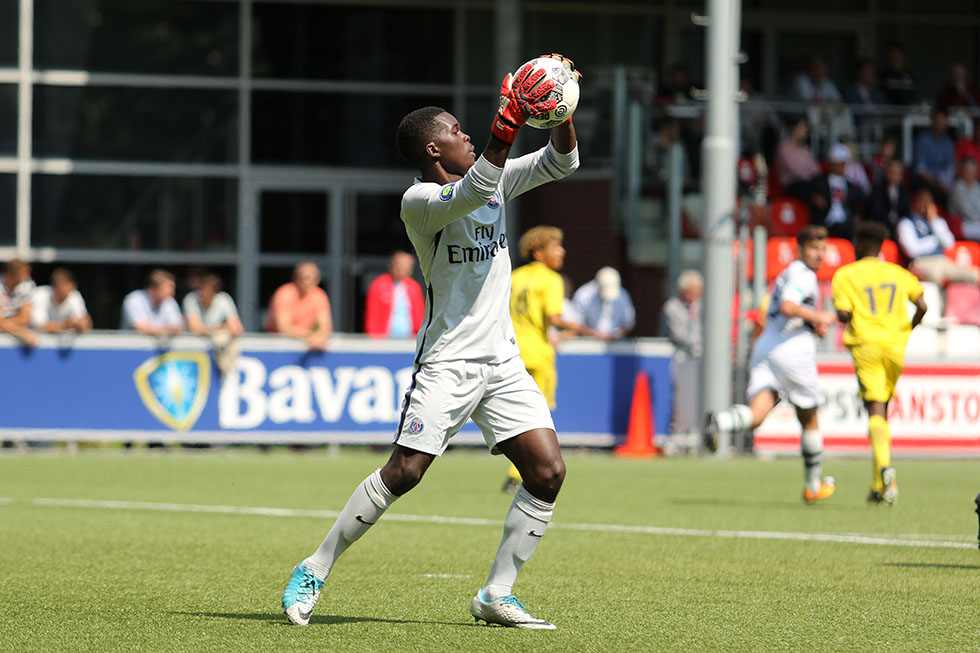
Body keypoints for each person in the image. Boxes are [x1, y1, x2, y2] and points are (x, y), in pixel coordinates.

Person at [280, 54, 581, 630]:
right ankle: (315, 566)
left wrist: (560, 110)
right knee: (407, 471)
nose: (467, 134)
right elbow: (474, 191)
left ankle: (497, 593)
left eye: (469, 129)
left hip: (503, 361)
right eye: (455, 131)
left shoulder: (492, 180)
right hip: (448, 363)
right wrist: (508, 123)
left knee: (547, 471)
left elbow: (564, 162)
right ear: (433, 151)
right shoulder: (419, 202)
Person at [706, 226, 838, 504]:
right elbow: (789, 306)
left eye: (823, 249)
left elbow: (780, 310)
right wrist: (819, 316)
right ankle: (813, 487)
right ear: (800, 249)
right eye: (814, 248)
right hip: (792, 352)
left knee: (756, 416)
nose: (819, 255)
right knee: (810, 417)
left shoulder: (786, 273)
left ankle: (721, 422)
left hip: (767, 346)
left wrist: (811, 323)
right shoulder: (803, 275)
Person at [832, 221, 928, 504]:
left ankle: (886, 470)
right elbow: (923, 306)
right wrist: (907, 329)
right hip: (896, 347)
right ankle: (878, 485)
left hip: (867, 346)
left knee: (873, 406)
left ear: (859, 244)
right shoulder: (898, 273)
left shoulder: (846, 274)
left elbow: (842, 313)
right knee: (882, 407)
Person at [503, 226, 593, 492]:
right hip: (539, 354)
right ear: (538, 252)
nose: (561, 251)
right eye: (555, 247)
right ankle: (517, 474)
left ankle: (514, 471)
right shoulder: (552, 279)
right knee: (537, 419)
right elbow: (554, 318)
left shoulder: (514, 276)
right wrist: (581, 327)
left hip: (511, 353)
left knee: (514, 415)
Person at [897, 188, 980, 284]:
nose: (925, 204)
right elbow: (912, 251)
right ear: (914, 202)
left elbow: (949, 244)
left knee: (974, 275)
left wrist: (933, 221)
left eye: (928, 201)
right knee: (936, 275)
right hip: (920, 262)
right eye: (922, 200)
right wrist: (935, 241)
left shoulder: (937, 221)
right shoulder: (906, 222)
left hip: (942, 260)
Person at [183, 273, 244, 373]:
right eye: (199, 289)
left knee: (226, 340)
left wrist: (207, 330)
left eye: (205, 290)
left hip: (214, 357)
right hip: (190, 353)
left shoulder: (224, 299)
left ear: (214, 292)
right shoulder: (191, 299)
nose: (201, 293)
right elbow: (195, 329)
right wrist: (223, 327)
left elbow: (237, 329)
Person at [266, 262, 332, 350]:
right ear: (295, 278)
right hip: (279, 346)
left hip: (307, 343)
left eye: (311, 278)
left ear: (317, 280)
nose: (306, 282)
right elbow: (284, 328)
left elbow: (325, 326)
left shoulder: (319, 295)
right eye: (303, 277)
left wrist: (318, 338)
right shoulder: (284, 294)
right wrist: (311, 337)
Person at [363, 251, 425, 338]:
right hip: (384, 340)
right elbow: (372, 316)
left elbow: (420, 315)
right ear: (392, 265)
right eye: (400, 264)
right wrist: (374, 338)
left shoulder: (414, 287)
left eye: (407, 266)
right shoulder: (378, 284)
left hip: (410, 339)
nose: (402, 268)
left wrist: (420, 335)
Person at [809, 143, 863, 240]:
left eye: (842, 163)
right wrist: (814, 197)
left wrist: (856, 217)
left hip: (846, 223)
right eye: (838, 163)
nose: (841, 166)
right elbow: (803, 191)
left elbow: (856, 208)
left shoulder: (851, 186)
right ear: (831, 163)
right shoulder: (819, 181)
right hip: (825, 221)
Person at [571, 267, 636, 340]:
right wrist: (593, 334)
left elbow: (628, 323)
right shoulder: (584, 295)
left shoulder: (623, 295)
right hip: (588, 344)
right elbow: (575, 322)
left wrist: (616, 335)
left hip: (617, 344)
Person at [120, 269, 184, 335]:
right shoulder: (133, 299)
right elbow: (139, 327)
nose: (172, 293)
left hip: (163, 345)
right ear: (153, 288)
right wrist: (166, 330)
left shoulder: (169, 301)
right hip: (132, 344)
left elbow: (178, 327)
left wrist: (157, 330)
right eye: (167, 288)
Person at [913, 108, 956, 207]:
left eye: (942, 120)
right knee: (930, 189)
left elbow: (950, 168)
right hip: (926, 181)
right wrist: (938, 183)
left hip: (942, 182)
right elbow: (920, 169)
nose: (939, 123)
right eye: (937, 120)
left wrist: (946, 184)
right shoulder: (923, 139)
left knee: (956, 190)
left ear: (946, 123)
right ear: (932, 121)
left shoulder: (948, 142)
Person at [774, 116, 821, 203]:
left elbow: (815, 169)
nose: (805, 130)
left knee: (822, 185)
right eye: (803, 126)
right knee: (805, 190)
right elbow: (793, 169)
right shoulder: (784, 148)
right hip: (792, 184)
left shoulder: (806, 149)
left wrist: (804, 170)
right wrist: (807, 170)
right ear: (793, 128)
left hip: (808, 183)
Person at [31, 268, 92, 333]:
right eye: (62, 290)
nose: (65, 293)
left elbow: (85, 324)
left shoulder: (74, 296)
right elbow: (40, 326)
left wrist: (82, 325)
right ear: (54, 288)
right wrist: (66, 325)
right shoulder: (40, 294)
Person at [659, 269, 703, 359]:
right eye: (692, 293)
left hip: (698, 355)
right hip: (676, 356)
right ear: (684, 292)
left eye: (698, 292)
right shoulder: (672, 307)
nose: (696, 296)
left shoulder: (701, 305)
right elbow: (678, 335)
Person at [869, 158, 911, 239]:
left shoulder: (904, 191)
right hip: (883, 225)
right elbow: (877, 213)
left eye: (899, 174)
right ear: (887, 173)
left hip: (899, 226)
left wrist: (899, 223)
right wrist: (892, 224)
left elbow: (906, 211)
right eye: (893, 173)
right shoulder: (878, 189)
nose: (896, 176)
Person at [0, 259, 37, 347]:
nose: (27, 276)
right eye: (24, 273)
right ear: (11, 274)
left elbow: (24, 319)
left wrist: (5, 324)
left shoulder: (27, 285)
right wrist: (22, 333)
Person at [949, 158, 980, 241]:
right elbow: (966, 211)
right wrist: (978, 219)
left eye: (972, 171)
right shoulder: (957, 188)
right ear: (962, 172)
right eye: (967, 170)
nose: (969, 173)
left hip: (976, 222)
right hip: (961, 223)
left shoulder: (976, 186)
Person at [879, 41, 918, 105]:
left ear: (902, 55)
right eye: (891, 53)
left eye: (896, 53)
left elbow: (914, 95)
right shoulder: (883, 74)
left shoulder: (909, 75)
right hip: (888, 111)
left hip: (907, 112)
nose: (894, 56)